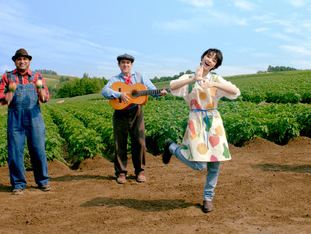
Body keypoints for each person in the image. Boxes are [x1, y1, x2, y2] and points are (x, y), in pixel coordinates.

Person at [162, 48, 240, 213]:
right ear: (203, 57)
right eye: (208, 56)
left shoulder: (216, 79)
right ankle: (171, 148)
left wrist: (213, 84)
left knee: (215, 163)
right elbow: (172, 86)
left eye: (214, 60)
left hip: (214, 123)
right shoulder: (190, 78)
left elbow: (235, 91)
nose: (210, 60)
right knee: (199, 165)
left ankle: (207, 198)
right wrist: (193, 79)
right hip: (196, 122)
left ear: (215, 65)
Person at [102, 53, 168, 184]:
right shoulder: (115, 79)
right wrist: (118, 94)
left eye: (128, 63)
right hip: (120, 113)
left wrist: (159, 93)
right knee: (119, 143)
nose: (125, 65)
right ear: (119, 65)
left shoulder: (139, 76)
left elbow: (151, 90)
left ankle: (140, 171)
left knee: (139, 142)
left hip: (136, 112)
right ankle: (121, 173)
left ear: (131, 65)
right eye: (122, 63)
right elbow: (104, 90)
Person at [0, 48, 51, 195]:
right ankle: (18, 184)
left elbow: (45, 99)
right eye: (19, 59)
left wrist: (41, 92)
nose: (22, 61)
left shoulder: (37, 76)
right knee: (15, 152)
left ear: (29, 61)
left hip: (34, 116)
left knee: (38, 150)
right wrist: (7, 95)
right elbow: (0, 94)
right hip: (15, 117)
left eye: (25, 59)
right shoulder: (8, 77)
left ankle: (42, 181)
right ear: (15, 61)